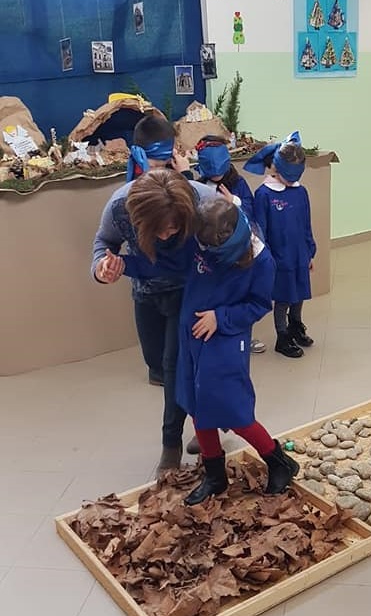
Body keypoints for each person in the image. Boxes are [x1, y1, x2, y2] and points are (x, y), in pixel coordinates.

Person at [105, 184, 299, 504]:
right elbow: (167, 265)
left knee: (234, 411)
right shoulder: (198, 241)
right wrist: (126, 265)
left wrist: (220, 318)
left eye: (212, 250)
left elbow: (258, 305)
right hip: (192, 338)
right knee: (196, 406)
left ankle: (279, 461)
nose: (204, 254)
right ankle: (214, 475)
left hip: (225, 343)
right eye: (201, 247)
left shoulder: (261, 260)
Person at [91, 117, 214, 472]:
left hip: (188, 294)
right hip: (146, 293)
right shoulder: (120, 204)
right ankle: (207, 423)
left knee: (177, 367)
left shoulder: (201, 198)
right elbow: (104, 243)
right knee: (158, 366)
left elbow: (241, 243)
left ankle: (172, 444)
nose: (165, 236)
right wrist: (102, 268)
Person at [244, 131, 316, 359]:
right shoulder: (264, 194)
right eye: (289, 176)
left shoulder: (300, 191)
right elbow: (260, 231)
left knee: (299, 293)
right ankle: (282, 337)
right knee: (283, 298)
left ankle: (296, 326)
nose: (292, 181)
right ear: (275, 168)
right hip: (278, 258)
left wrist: (310, 251)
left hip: (299, 254)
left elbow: (306, 224)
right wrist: (267, 261)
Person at [194, 135, 265, 353]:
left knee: (238, 294)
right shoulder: (199, 185)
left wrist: (234, 202)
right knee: (216, 292)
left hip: (238, 253)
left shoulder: (238, 184)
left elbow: (251, 212)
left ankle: (241, 334)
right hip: (211, 253)